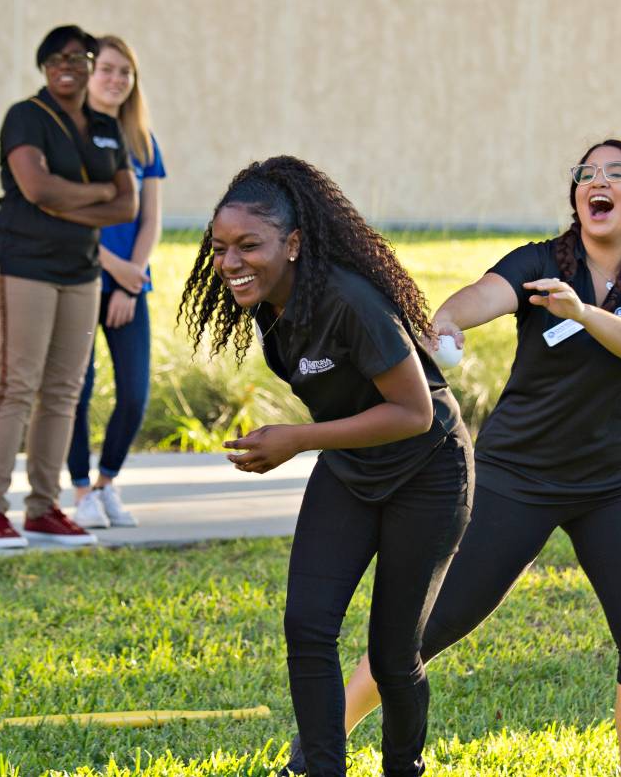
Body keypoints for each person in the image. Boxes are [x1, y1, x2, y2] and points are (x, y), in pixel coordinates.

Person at [279, 140, 621, 777]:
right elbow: (479, 296)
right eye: (586, 173)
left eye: (616, 173)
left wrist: (581, 313)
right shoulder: (540, 261)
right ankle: (315, 753)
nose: (597, 182)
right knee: (418, 631)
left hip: (617, 484)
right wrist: (448, 322)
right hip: (514, 477)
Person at [178, 157, 473, 777]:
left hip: (429, 471)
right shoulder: (271, 304)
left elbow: (415, 411)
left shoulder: (350, 300)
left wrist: (298, 438)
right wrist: (311, 442)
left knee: (392, 654)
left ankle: (403, 769)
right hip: (353, 469)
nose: (230, 262)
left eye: (248, 246)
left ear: (294, 242)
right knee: (307, 627)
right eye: (220, 247)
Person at [0, 26, 138, 549]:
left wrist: (70, 199)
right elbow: (36, 188)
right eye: (58, 57)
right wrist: (96, 194)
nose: (70, 65)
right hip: (23, 264)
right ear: (44, 66)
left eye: (80, 57)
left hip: (80, 270)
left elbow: (127, 205)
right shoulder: (26, 117)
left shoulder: (106, 127)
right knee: (17, 386)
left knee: (64, 391)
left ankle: (44, 507)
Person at [68, 35, 166, 529]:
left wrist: (131, 283)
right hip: (82, 278)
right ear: (89, 74)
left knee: (134, 392)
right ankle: (80, 489)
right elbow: (68, 216)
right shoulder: (70, 135)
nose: (115, 80)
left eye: (124, 72)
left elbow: (151, 219)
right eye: (107, 69)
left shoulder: (143, 142)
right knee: (77, 389)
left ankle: (107, 483)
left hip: (130, 284)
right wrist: (115, 269)